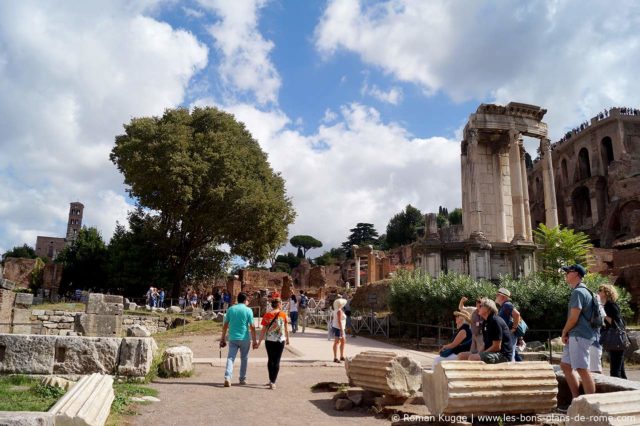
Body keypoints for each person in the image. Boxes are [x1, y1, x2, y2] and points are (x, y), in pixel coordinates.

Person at [560, 264, 596, 399]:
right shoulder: (585, 291)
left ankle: (591, 405)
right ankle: (576, 401)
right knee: (565, 366)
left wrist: (564, 332)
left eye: (568, 272)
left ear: (576, 274)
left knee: (582, 369)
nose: (565, 274)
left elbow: (573, 318)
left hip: (579, 335)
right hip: (577, 334)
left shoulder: (578, 292)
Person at [457, 298, 512, 364]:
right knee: (461, 356)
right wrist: (479, 353)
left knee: (473, 358)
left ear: (488, 309)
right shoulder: (485, 322)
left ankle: (474, 374)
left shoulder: (495, 322)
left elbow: (497, 347)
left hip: (502, 355)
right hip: (491, 352)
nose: (478, 307)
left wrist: (480, 354)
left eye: (481, 306)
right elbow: (485, 344)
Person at [220, 292, 258, 387]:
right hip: (244, 338)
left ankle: (228, 377)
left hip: (232, 337)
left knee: (230, 358)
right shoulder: (248, 310)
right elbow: (252, 326)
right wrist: (254, 340)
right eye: (248, 300)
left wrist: (223, 338)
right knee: (244, 358)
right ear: (245, 300)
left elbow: (225, 325)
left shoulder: (231, 309)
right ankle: (242, 379)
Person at [256, 298, 289, 389]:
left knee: (271, 359)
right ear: (278, 304)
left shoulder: (267, 315)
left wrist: (259, 342)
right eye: (281, 303)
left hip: (269, 341)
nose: (281, 305)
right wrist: (288, 339)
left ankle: (271, 380)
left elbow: (263, 330)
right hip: (280, 341)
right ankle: (273, 381)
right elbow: (286, 329)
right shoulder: (283, 315)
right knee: (277, 360)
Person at [598, 284, 627, 379]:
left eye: (600, 290)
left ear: (606, 293)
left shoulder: (611, 305)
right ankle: (627, 390)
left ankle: (617, 390)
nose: (598, 292)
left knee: (615, 369)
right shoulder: (606, 305)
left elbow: (616, 323)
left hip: (616, 339)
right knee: (619, 368)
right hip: (613, 340)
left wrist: (604, 315)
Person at [495, 288, 521, 361]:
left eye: (497, 295)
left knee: (511, 354)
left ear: (503, 297)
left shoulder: (507, 304)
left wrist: (514, 329)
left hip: (510, 333)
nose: (496, 296)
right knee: (512, 353)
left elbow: (517, 314)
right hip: (508, 333)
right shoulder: (504, 306)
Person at [589, 292, 606, 374]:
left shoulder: (596, 309)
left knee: (595, 367)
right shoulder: (600, 308)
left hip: (593, 338)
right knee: (595, 364)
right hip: (596, 338)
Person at [331, 297, 347, 363]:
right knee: (337, 342)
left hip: (338, 327)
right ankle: (335, 357)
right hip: (339, 328)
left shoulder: (336, 310)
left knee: (343, 341)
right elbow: (339, 321)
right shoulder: (339, 311)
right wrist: (341, 330)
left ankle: (341, 356)